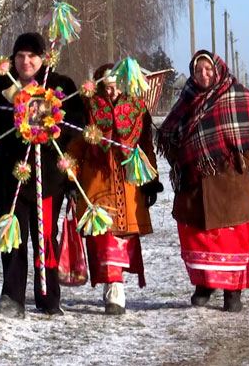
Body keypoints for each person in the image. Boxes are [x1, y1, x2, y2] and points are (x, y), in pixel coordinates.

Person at [157, 50, 249, 312]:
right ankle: (204, 285)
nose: (203, 75)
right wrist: (184, 160)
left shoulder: (238, 97)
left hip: (231, 186)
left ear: (218, 71)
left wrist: (240, 163)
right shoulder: (186, 101)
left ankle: (232, 292)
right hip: (195, 185)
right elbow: (169, 136)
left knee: (232, 241)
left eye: (208, 69)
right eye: (198, 70)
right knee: (198, 239)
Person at [0, 32, 85, 317]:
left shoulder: (59, 85)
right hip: (9, 175)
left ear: (42, 57)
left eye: (32, 56)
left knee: (45, 236)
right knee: (13, 235)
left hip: (49, 178)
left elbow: (78, 124)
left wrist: (52, 127)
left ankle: (48, 298)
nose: (25, 61)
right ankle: (12, 296)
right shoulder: (0, 86)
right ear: (13, 58)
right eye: (20, 56)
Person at [67, 63, 163, 315]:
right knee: (105, 237)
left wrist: (151, 179)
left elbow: (146, 146)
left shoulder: (137, 108)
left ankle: (117, 285)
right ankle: (113, 291)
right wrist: (71, 178)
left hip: (129, 184)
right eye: (106, 88)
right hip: (97, 183)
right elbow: (76, 145)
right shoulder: (87, 107)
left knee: (123, 238)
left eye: (115, 87)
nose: (111, 93)